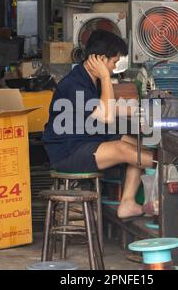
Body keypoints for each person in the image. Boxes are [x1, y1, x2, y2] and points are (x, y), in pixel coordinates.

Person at [43, 30, 155, 219]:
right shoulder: (74, 84)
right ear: (102, 60)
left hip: (89, 140)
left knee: (135, 145)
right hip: (68, 151)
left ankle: (128, 203)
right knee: (124, 149)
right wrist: (105, 77)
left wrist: (141, 109)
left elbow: (103, 107)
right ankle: (169, 167)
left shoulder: (86, 79)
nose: (115, 67)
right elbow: (108, 115)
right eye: (114, 62)